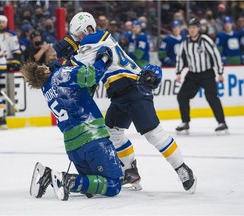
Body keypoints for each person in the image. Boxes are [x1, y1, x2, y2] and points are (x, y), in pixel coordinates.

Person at [60, 12, 197, 193]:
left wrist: (57, 63)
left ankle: (182, 169)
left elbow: (72, 67)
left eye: (79, 35)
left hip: (134, 89)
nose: (78, 40)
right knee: (113, 132)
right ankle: (130, 171)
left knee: (153, 133)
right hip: (120, 95)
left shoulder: (93, 38)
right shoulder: (98, 39)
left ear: (88, 28)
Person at [21, 46, 123, 201]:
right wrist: (103, 60)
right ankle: (69, 181)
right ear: (46, 70)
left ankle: (47, 176)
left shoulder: (46, 89)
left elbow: (75, 95)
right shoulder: (61, 75)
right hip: (93, 139)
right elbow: (91, 75)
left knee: (92, 185)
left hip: (73, 148)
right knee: (113, 185)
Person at [175, 18, 228, 132]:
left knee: (211, 96)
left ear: (198, 28)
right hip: (192, 74)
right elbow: (180, 57)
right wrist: (178, 72)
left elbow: (215, 55)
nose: (192, 30)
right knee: (182, 96)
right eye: (190, 28)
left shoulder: (205, 40)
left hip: (207, 73)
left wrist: (220, 72)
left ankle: (222, 122)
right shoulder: (185, 42)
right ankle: (185, 122)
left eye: (194, 27)